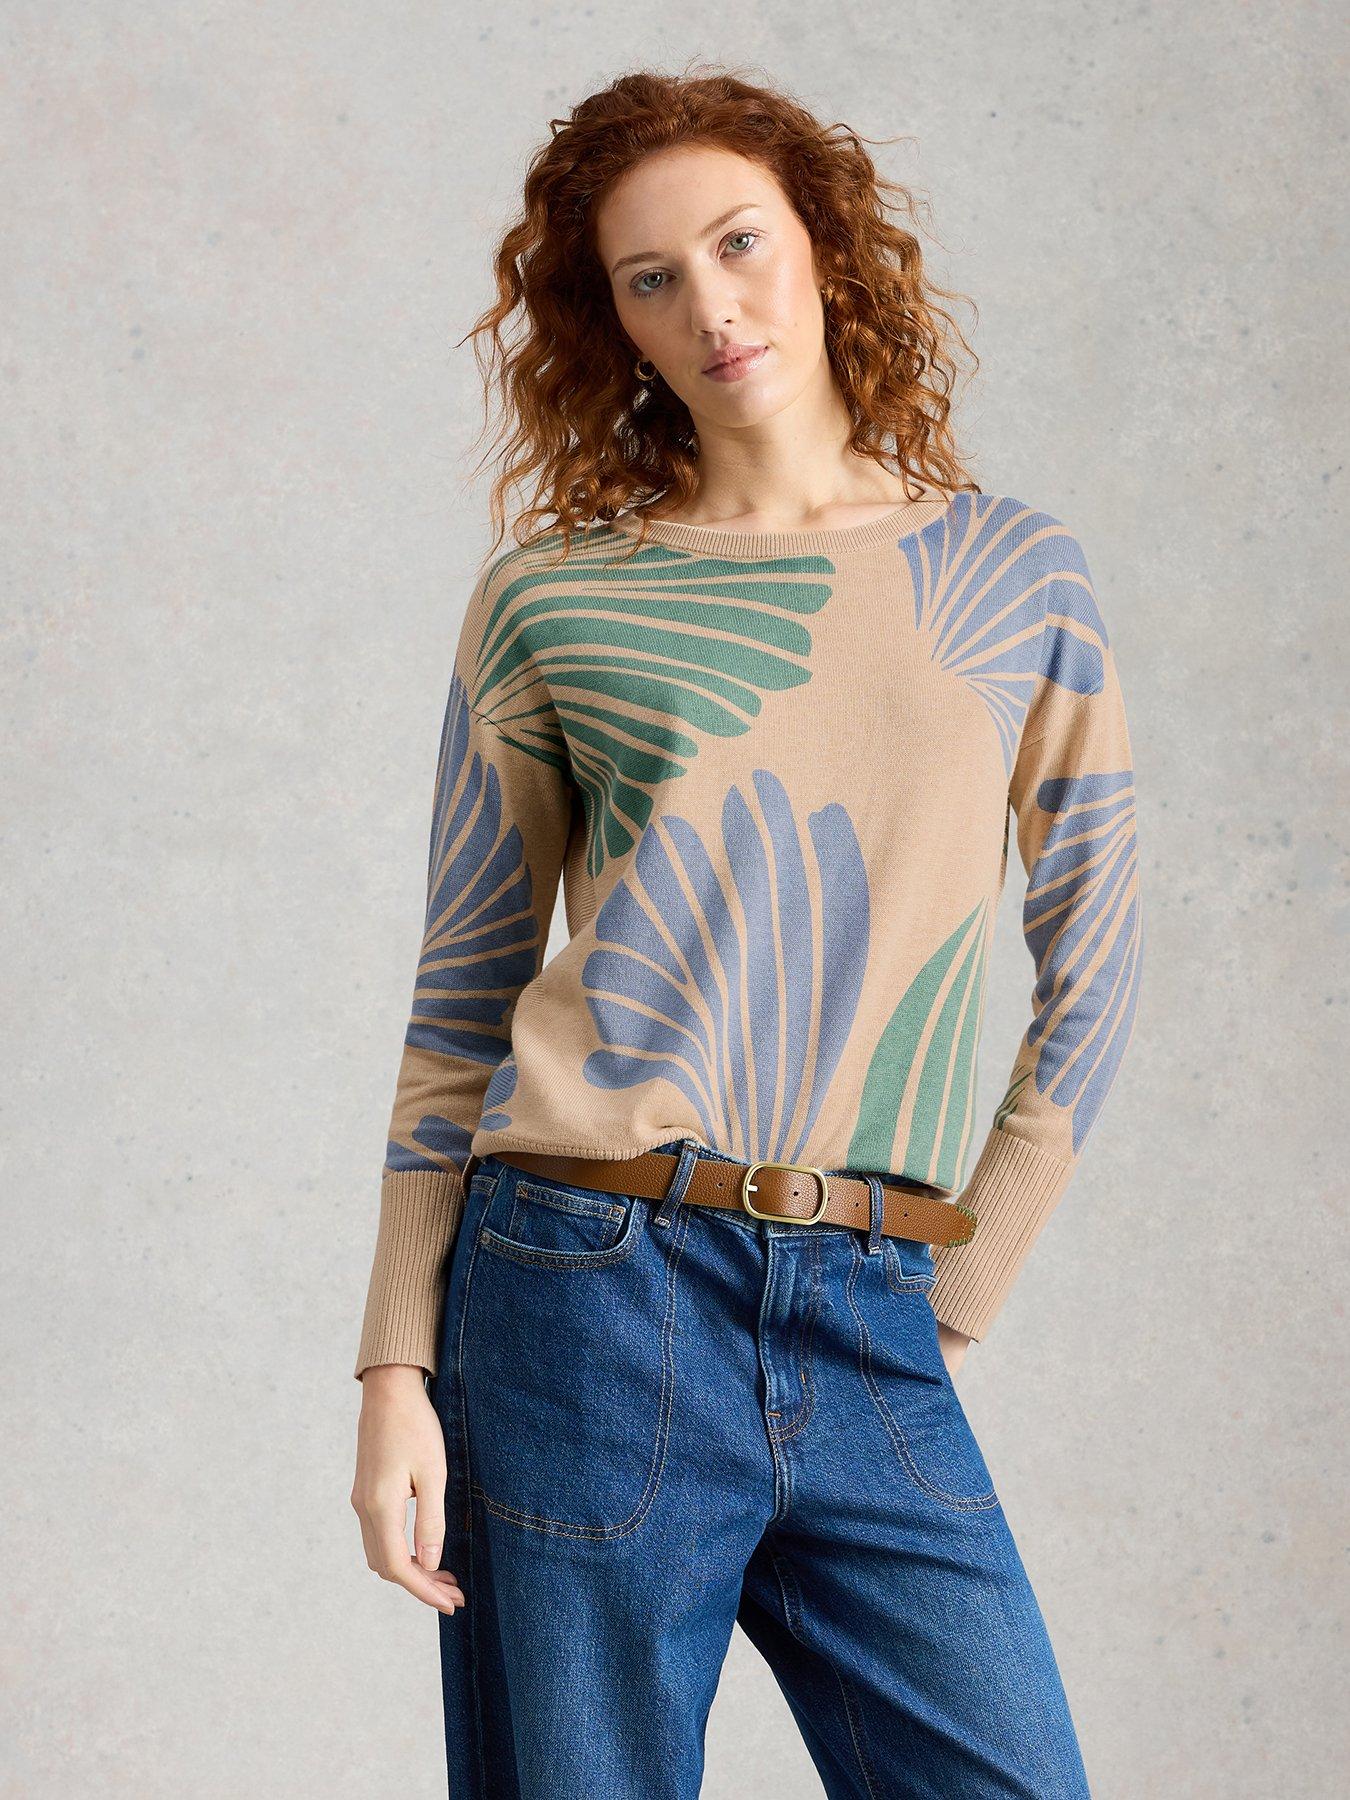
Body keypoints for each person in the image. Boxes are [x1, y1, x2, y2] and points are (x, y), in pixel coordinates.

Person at [350, 65, 1142, 1800]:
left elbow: (1098, 959)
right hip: (583, 1286)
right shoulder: (552, 596)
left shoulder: (1014, 573)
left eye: (737, 244)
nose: (709, 306)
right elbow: (463, 994)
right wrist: (394, 1365)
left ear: (823, 248)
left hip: (870, 1292)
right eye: (651, 278)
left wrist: (957, 1285)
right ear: (614, 325)